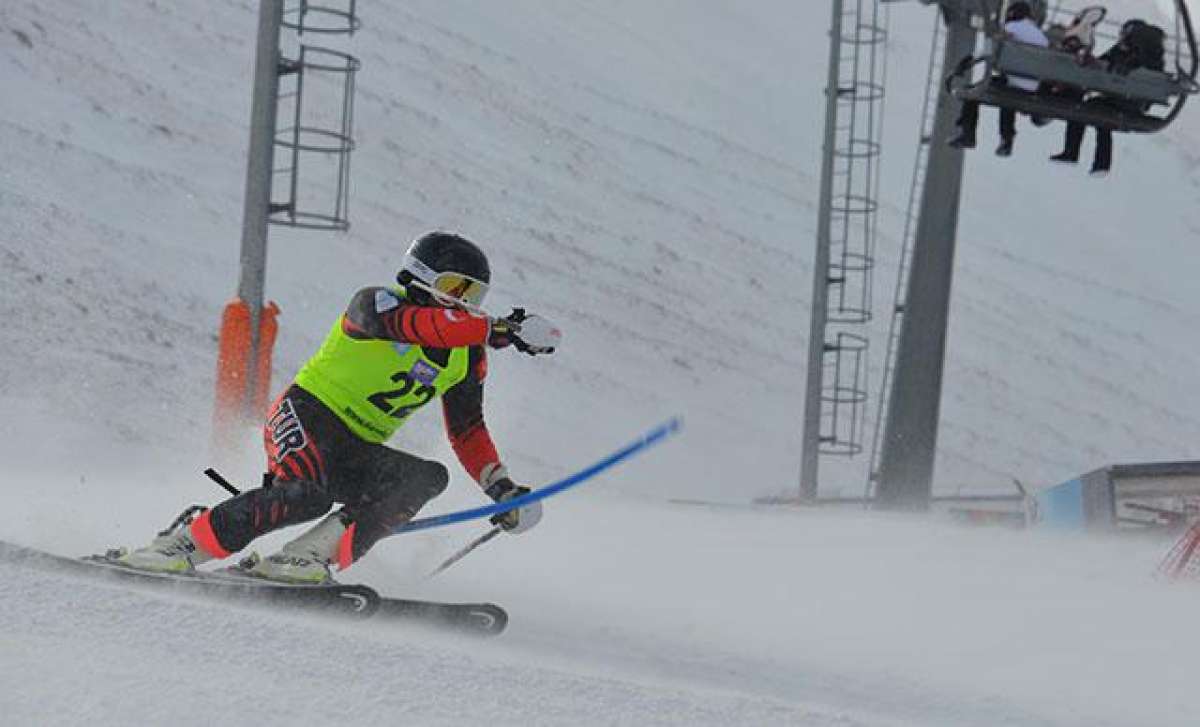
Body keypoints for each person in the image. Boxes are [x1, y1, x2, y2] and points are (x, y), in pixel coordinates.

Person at [119, 231, 559, 583]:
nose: (463, 301)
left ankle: (306, 559)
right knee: (307, 495)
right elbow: (425, 326)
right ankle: (177, 546)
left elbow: (467, 430)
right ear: (420, 277)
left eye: (474, 295)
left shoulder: (467, 352)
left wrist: (501, 489)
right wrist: (498, 328)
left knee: (425, 477)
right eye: (454, 288)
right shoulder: (377, 303)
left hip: (358, 446)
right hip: (308, 416)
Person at [1050, 19, 1167, 177]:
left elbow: (1105, 65)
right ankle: (1100, 164)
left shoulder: (1129, 54)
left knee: (1082, 111)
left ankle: (1073, 152)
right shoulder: (1154, 58)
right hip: (1134, 104)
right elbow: (1105, 63)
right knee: (1102, 120)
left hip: (1122, 100)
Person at [948, 1, 1050, 157]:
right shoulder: (1042, 38)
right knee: (1007, 96)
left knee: (973, 92)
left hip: (1013, 83)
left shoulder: (1011, 28)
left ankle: (968, 133)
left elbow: (989, 48)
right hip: (1031, 88)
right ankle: (1006, 139)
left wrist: (968, 62)